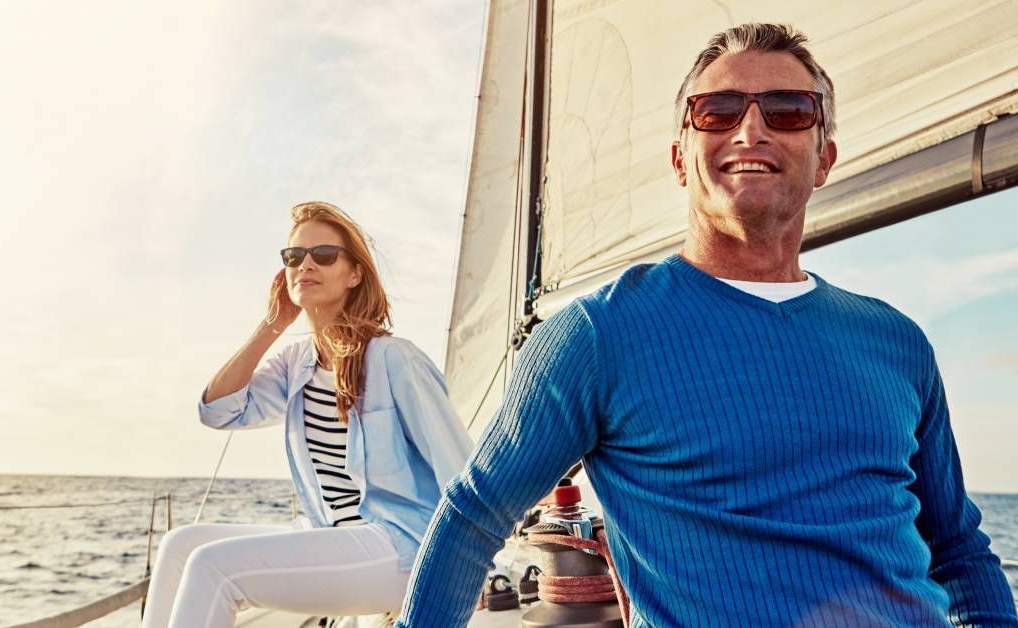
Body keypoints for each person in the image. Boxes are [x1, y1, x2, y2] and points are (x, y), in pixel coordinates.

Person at [396, 23, 1017, 627]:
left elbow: (958, 548)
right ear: (680, 160)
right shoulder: (597, 335)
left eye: (789, 110)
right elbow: (475, 515)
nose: (750, 129)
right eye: (716, 111)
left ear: (824, 158)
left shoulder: (897, 342)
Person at [142, 201, 472, 628]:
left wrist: (480, 570)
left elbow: (463, 471)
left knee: (212, 567)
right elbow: (219, 411)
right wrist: (272, 324)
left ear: (354, 274)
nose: (305, 265)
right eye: (294, 257)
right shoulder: (296, 363)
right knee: (181, 544)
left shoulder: (394, 360)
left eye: (324, 255)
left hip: (403, 549)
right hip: (331, 537)